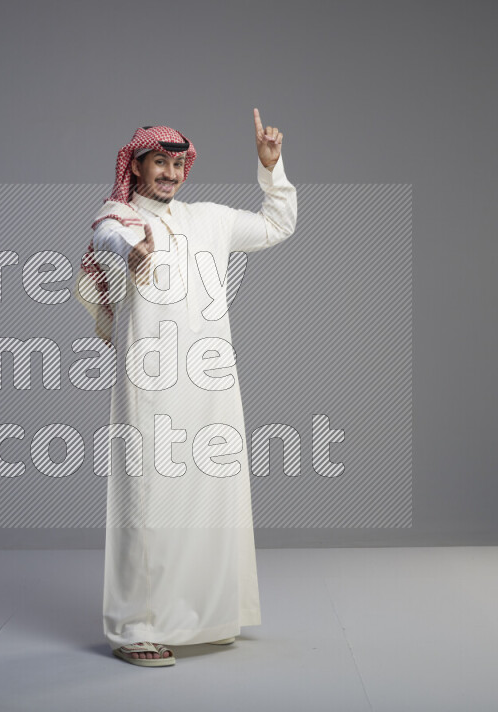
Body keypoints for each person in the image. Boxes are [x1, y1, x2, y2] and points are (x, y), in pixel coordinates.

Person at [75, 109, 297, 667]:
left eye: (177, 164)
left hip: (212, 381)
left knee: (213, 495)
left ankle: (208, 614)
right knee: (148, 497)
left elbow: (276, 227)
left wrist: (271, 170)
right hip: (152, 381)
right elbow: (105, 236)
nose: (169, 173)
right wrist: (131, 251)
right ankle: (134, 628)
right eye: (159, 163)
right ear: (138, 165)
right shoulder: (120, 214)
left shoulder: (210, 219)